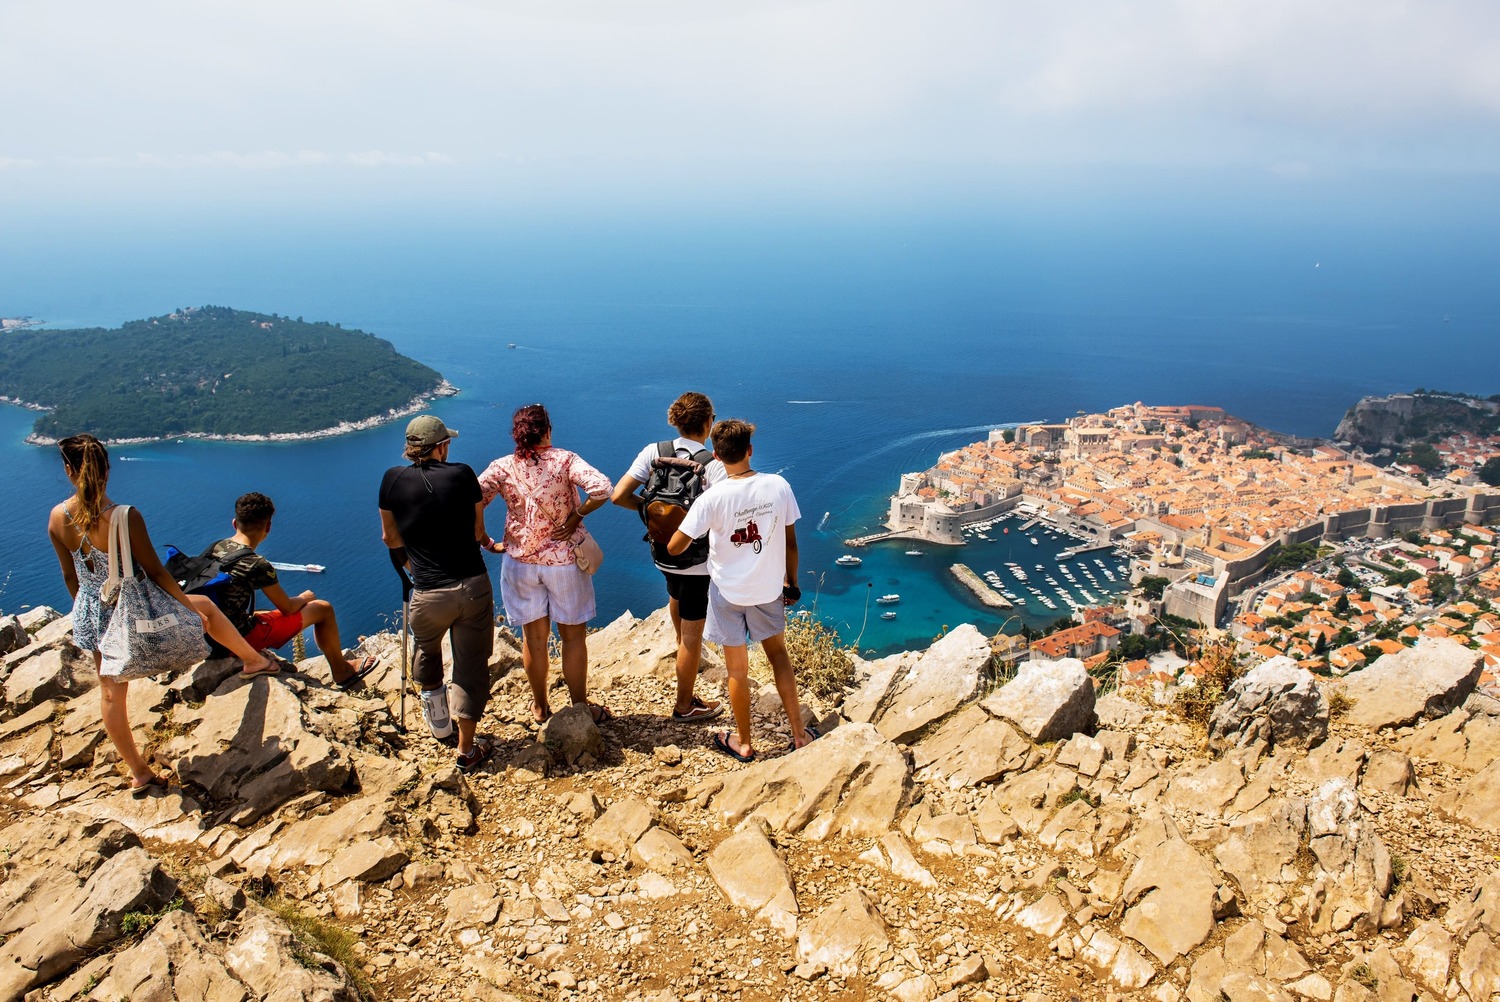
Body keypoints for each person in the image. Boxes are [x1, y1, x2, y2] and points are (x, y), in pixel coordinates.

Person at [47, 434, 277, 796]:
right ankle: (253, 661)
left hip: (93, 610)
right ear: (107, 469)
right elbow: (156, 572)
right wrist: (188, 610)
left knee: (110, 693)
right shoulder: (125, 517)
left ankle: (139, 771)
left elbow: (69, 576)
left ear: (68, 470)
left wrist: (94, 615)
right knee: (205, 607)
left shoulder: (58, 517)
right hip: (134, 604)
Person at [667, 419, 815, 762]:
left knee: (737, 671)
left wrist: (696, 526)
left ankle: (745, 743)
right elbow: (790, 543)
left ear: (716, 456)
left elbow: (675, 547)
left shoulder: (711, 498)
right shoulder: (778, 485)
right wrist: (791, 582)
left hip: (728, 595)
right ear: (750, 450)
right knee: (779, 657)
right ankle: (798, 735)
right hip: (768, 590)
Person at [479, 404, 613, 725]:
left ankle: (540, 707)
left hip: (521, 564)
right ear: (548, 430)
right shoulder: (564, 460)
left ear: (517, 434)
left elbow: (470, 498)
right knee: (572, 638)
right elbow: (603, 489)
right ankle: (580, 708)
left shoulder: (502, 467)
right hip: (565, 562)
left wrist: (484, 540)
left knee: (534, 640)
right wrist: (576, 516)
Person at [379, 415, 496, 772]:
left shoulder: (391, 480)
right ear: (441, 446)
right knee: (469, 665)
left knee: (427, 651)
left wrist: (414, 566)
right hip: (471, 585)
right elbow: (478, 530)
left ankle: (439, 725)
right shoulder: (462, 474)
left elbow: (390, 538)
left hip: (427, 591)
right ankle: (466, 749)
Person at [610, 391, 724, 722]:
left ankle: (682, 662)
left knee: (675, 597)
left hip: (662, 554)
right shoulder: (712, 467)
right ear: (707, 423)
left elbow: (619, 496)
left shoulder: (654, 452)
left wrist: (649, 511)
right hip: (697, 562)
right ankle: (685, 705)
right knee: (691, 636)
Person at [206, 492, 377, 687]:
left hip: (206, 635)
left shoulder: (215, 548)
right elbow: (287, 607)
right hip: (234, 639)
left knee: (262, 613)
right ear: (268, 527)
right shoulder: (257, 564)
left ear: (235, 523)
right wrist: (305, 597)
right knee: (323, 608)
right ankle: (343, 671)